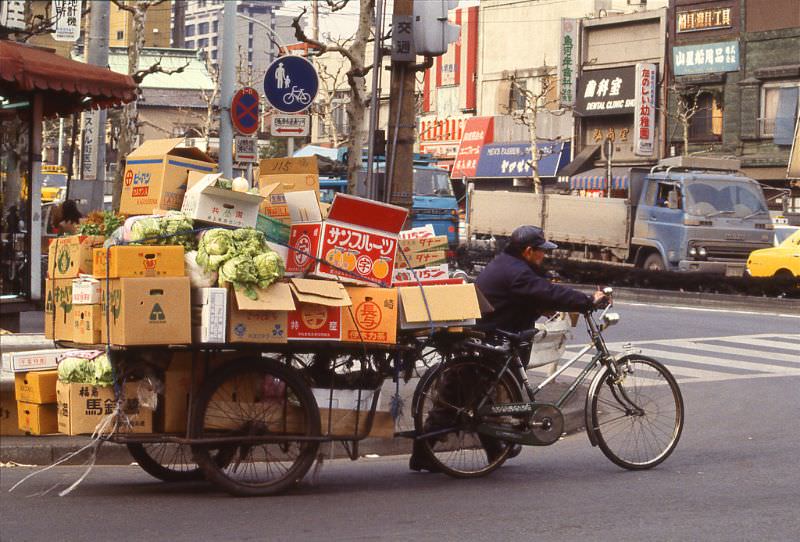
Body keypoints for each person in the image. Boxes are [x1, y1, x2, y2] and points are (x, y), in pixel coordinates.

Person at [410, 225, 606, 473]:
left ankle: (493, 449)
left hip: (489, 336)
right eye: (540, 252)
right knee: (462, 397)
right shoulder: (517, 272)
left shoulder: (507, 263)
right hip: (489, 340)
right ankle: (425, 453)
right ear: (527, 250)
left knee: (474, 397)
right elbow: (546, 290)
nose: (543, 256)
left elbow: (534, 292)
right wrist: (587, 300)